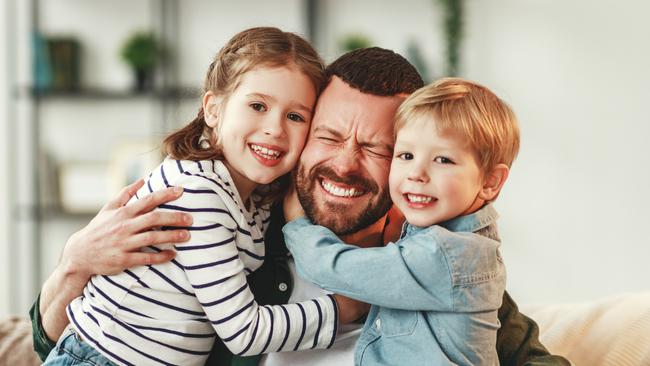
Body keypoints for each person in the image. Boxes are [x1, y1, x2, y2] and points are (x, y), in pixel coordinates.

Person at [31, 46, 570, 366]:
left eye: (380, 148)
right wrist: (73, 264)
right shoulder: (235, 235)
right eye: (327, 135)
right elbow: (57, 343)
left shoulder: (435, 263)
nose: (345, 164)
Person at [41, 27, 366, 366]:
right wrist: (347, 307)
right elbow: (244, 332)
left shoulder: (250, 199)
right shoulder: (198, 193)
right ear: (213, 109)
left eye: (295, 116)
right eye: (257, 105)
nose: (275, 128)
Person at [282, 77, 519, 365]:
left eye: (443, 160)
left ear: (491, 182)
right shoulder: (457, 246)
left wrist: (296, 223)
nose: (416, 173)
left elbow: (333, 267)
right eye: (405, 155)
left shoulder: (447, 256)